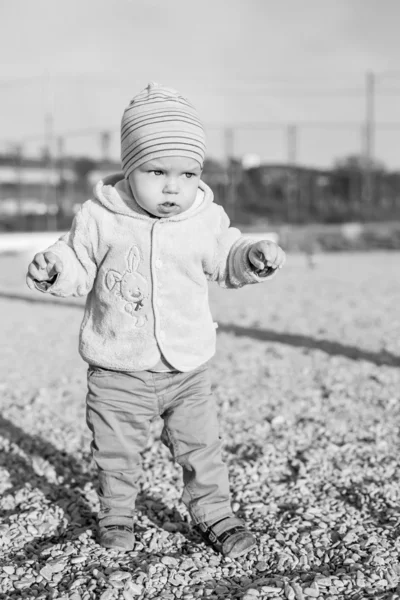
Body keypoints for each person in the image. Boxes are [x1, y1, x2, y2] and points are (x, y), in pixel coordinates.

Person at [26, 82, 286, 558]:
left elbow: (226, 253)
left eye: (188, 174)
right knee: (116, 451)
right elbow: (77, 261)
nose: (173, 186)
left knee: (201, 447)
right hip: (119, 367)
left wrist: (251, 255)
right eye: (157, 171)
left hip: (187, 368)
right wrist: (55, 267)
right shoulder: (100, 216)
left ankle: (214, 514)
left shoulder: (205, 219)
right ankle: (117, 513)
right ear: (130, 167)